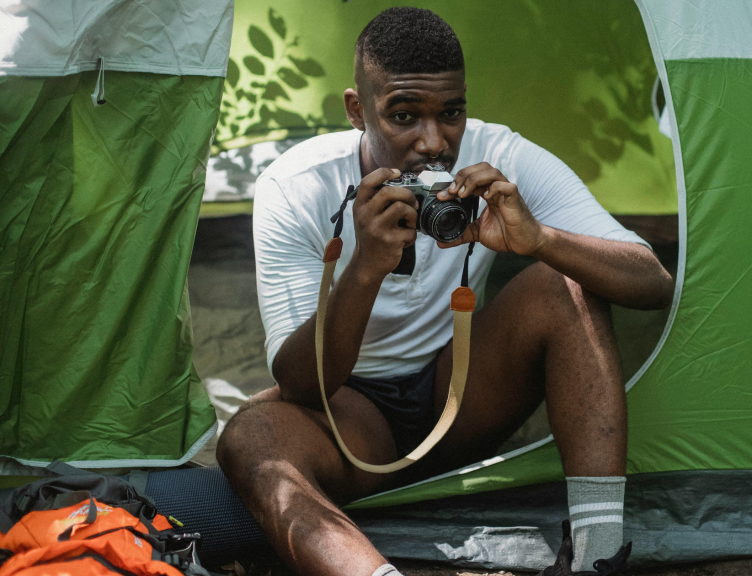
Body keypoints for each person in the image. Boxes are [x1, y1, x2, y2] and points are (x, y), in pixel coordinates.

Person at [217, 7, 674, 576]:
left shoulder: (498, 155)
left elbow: (651, 280)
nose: (433, 143)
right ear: (358, 111)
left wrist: (540, 239)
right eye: (403, 116)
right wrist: (364, 269)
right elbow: (300, 384)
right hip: (349, 418)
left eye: (450, 112)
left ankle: (598, 557)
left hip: (459, 397)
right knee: (248, 435)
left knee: (563, 285)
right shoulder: (297, 185)